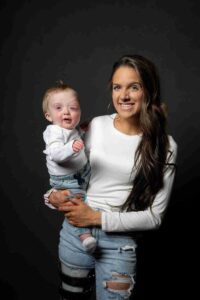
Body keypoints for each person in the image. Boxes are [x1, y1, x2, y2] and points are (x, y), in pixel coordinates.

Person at [44, 54, 178, 300]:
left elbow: (154, 217)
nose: (124, 96)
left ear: (149, 91)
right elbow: (69, 173)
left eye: (134, 87)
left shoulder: (165, 146)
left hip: (118, 244)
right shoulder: (96, 125)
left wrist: (96, 218)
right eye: (118, 87)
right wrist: (51, 196)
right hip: (75, 234)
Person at [42, 81, 97, 253]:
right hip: (66, 181)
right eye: (58, 108)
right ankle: (84, 237)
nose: (66, 112)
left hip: (82, 172)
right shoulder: (53, 131)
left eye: (72, 108)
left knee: (87, 197)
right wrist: (70, 148)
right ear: (48, 116)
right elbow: (55, 153)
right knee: (75, 205)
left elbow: (74, 134)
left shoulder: (70, 129)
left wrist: (82, 129)